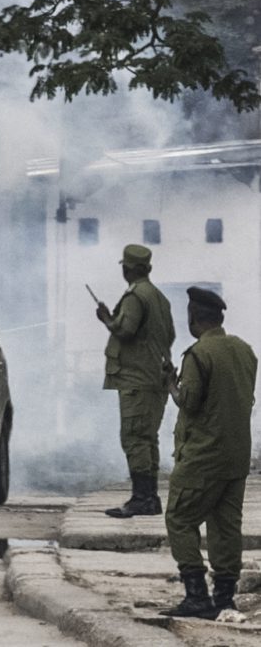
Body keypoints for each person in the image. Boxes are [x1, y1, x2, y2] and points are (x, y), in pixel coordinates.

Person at [158, 288, 256, 619]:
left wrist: (172, 384)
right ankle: (224, 598)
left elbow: (191, 402)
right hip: (237, 454)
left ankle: (196, 595)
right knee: (226, 525)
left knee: (179, 518)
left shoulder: (198, 355)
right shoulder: (244, 351)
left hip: (203, 456)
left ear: (194, 317)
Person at [95, 243, 175, 518]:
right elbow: (170, 335)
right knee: (147, 438)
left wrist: (108, 319)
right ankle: (148, 498)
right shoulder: (159, 298)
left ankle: (143, 499)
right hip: (154, 379)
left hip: (137, 379)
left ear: (127, 270)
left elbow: (126, 330)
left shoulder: (135, 296)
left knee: (134, 438)